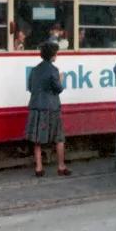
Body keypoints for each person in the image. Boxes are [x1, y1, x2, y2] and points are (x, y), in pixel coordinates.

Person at [24, 41, 70, 177]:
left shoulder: (34, 70)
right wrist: (61, 79)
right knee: (59, 138)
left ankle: (39, 167)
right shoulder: (54, 70)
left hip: (36, 106)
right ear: (53, 55)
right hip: (51, 107)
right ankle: (61, 166)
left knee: (37, 139)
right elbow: (58, 89)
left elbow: (31, 87)